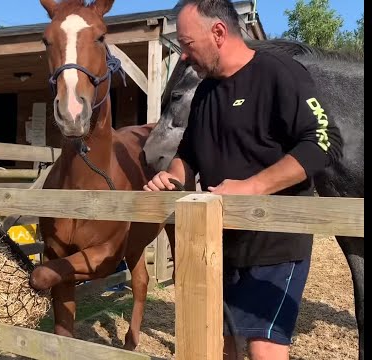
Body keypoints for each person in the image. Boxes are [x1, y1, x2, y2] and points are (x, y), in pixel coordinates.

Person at [143, 0, 343, 359]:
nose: (184, 57)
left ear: (218, 32)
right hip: (220, 243)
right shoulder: (204, 93)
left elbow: (323, 142)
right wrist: (170, 177)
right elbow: (189, 155)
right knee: (219, 347)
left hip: (276, 244)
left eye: (188, 45)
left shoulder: (281, 73)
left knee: (264, 349)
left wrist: (251, 188)